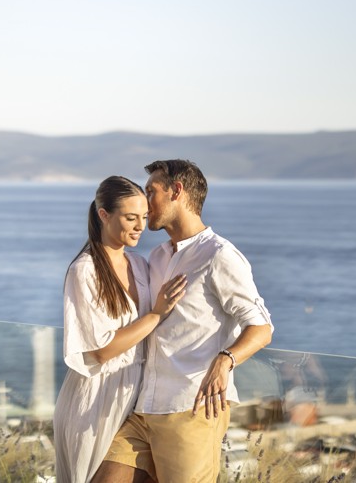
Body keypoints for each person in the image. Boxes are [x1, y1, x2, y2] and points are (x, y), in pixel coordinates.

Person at [93, 159, 273, 483]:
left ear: (177, 191)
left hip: (190, 409)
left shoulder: (219, 255)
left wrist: (226, 359)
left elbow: (261, 327)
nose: (144, 203)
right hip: (143, 408)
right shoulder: (158, 256)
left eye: (151, 192)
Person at [54, 176, 188, 483]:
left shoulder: (140, 264)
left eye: (143, 217)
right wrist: (155, 315)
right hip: (95, 402)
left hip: (137, 400)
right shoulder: (84, 271)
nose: (140, 226)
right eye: (131, 218)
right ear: (104, 215)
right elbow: (102, 350)